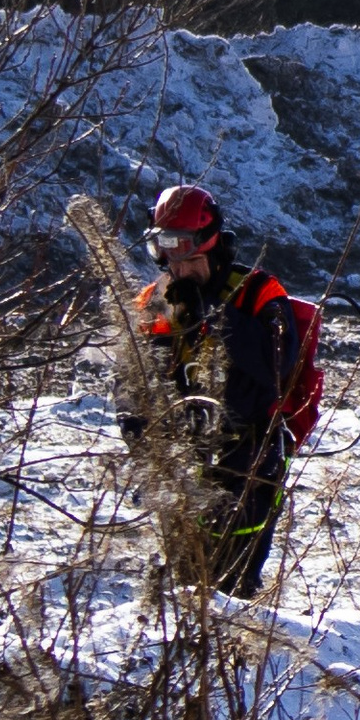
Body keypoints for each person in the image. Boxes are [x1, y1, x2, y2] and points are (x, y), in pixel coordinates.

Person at [117, 182, 317, 595]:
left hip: (249, 458)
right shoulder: (153, 303)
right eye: (170, 256)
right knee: (187, 581)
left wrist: (214, 314)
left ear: (212, 245)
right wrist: (145, 446)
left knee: (234, 581)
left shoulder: (260, 293)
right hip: (181, 463)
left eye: (188, 255)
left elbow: (276, 366)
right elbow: (131, 385)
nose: (179, 268)